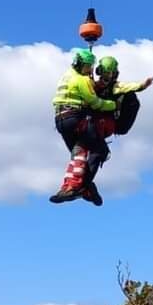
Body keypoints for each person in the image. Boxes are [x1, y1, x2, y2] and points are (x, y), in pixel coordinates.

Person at [50, 48, 117, 206]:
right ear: (83, 65)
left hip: (60, 120)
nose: (90, 70)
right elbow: (95, 102)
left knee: (78, 152)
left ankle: (69, 187)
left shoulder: (66, 76)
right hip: (75, 117)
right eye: (89, 66)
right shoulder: (82, 79)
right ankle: (82, 187)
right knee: (100, 150)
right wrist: (111, 105)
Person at [93, 55, 153, 141]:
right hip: (93, 118)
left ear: (114, 74)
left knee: (130, 95)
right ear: (99, 72)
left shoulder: (117, 86)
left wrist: (142, 85)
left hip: (110, 120)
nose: (107, 77)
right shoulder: (92, 85)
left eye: (110, 73)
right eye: (105, 73)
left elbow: (129, 86)